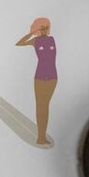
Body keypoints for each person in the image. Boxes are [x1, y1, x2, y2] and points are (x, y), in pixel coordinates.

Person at [14, 18, 57, 146]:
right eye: (41, 26)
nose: (44, 28)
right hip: (40, 76)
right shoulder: (35, 41)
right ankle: (41, 136)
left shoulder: (51, 40)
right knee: (40, 105)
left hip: (52, 76)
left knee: (46, 105)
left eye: (45, 26)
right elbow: (19, 43)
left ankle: (43, 135)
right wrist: (32, 33)